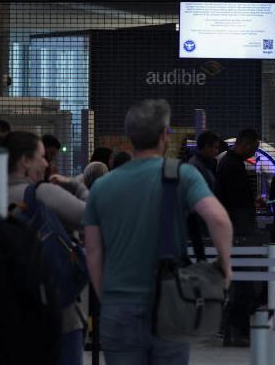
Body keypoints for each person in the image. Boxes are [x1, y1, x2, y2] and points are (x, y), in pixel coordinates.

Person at [83, 99, 233, 365]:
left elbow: (93, 252)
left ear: (130, 137)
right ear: (164, 135)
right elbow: (219, 220)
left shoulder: (101, 187)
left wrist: (106, 295)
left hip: (118, 306)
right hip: (169, 303)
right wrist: (224, 267)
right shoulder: (182, 175)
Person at [0, 131, 89, 365]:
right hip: (58, 314)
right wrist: (75, 186)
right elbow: (92, 215)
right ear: (25, 161)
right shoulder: (43, 193)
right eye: (41, 156)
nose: (46, 163)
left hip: (8, 318)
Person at [215, 129, 260, 347]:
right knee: (243, 286)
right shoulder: (232, 166)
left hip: (234, 232)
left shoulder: (229, 164)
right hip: (238, 234)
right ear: (244, 143)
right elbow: (237, 203)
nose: (254, 152)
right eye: (253, 147)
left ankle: (234, 330)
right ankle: (235, 331)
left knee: (240, 285)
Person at [214, 129, 260, 236]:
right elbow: (237, 200)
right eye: (254, 149)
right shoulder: (233, 165)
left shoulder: (230, 162)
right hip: (237, 229)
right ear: (247, 145)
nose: (254, 153)